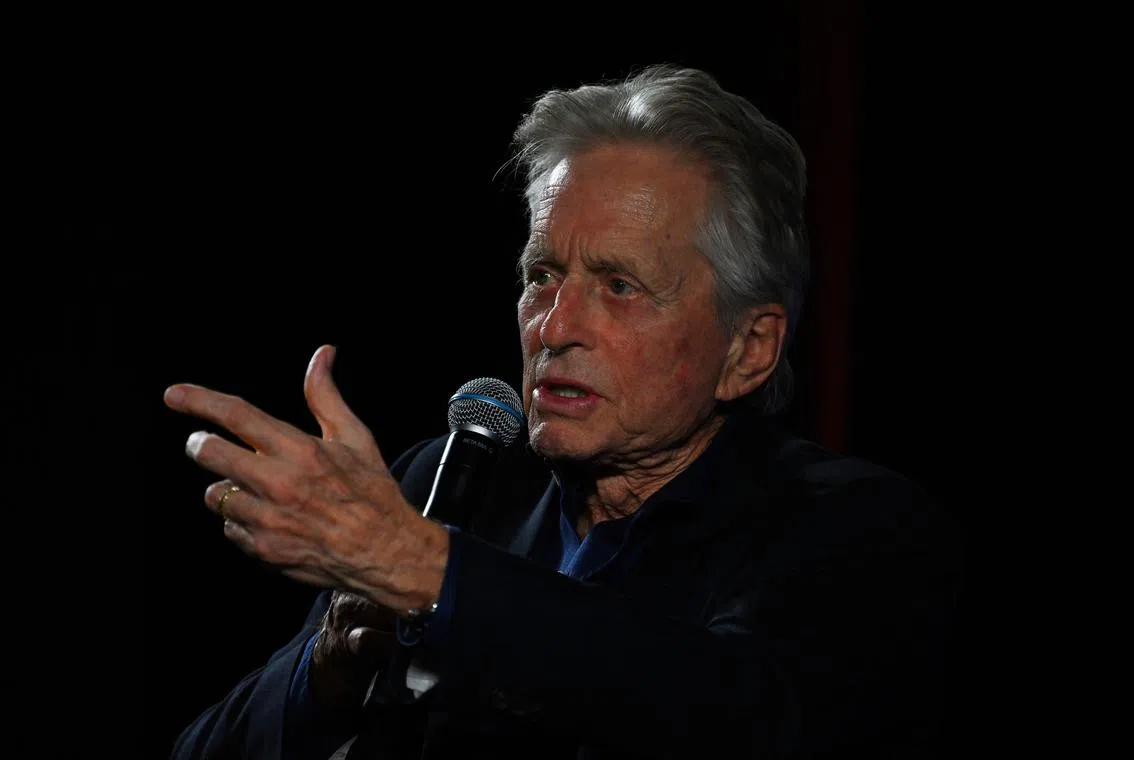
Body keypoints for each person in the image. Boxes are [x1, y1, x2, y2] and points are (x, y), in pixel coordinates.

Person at [165, 64, 963, 759]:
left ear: (748, 348)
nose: (554, 327)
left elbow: (730, 715)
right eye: (541, 275)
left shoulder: (854, 528)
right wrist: (328, 671)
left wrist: (423, 569)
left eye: (619, 286)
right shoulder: (445, 484)